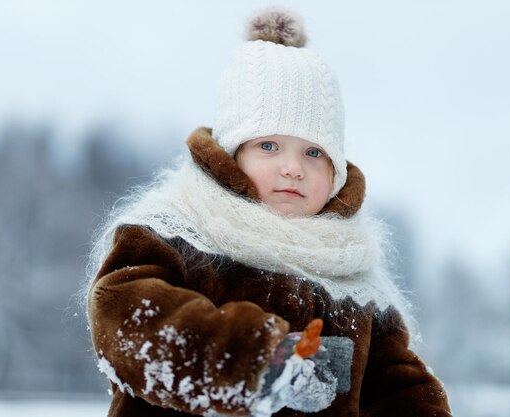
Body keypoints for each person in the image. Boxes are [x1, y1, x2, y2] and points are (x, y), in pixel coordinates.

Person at [85, 7, 452, 417]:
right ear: (231, 154)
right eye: (269, 146)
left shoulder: (353, 279)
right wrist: (256, 359)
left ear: (336, 171)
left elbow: (395, 386)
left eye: (314, 152)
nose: (292, 167)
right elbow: (125, 314)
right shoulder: (177, 231)